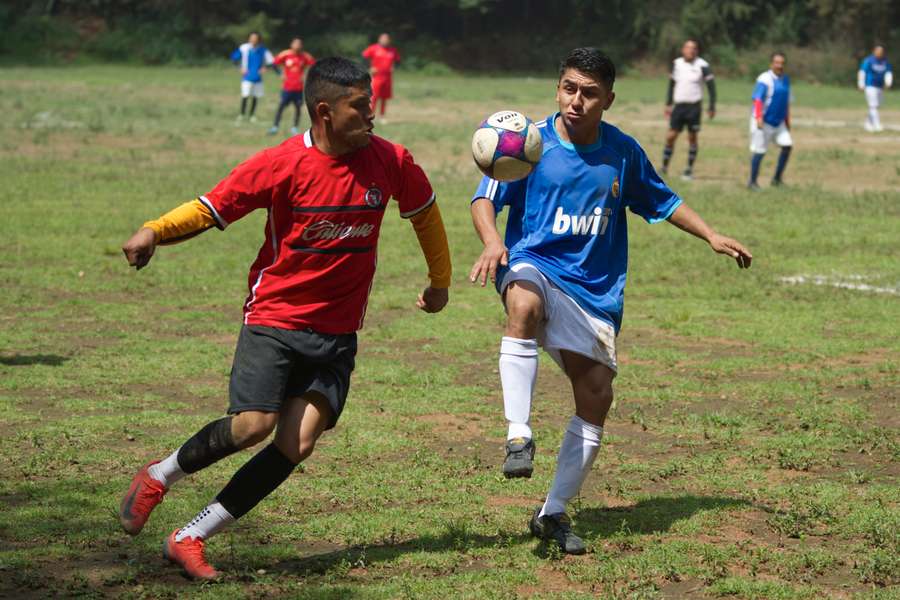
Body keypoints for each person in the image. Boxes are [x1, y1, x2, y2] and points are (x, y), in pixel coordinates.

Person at [118, 57, 451, 580]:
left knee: (295, 444)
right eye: (359, 106)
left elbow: (426, 212)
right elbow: (212, 206)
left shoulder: (391, 160)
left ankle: (190, 537)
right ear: (324, 112)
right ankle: (160, 476)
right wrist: (154, 230)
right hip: (275, 317)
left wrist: (440, 282)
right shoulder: (281, 164)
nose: (372, 114)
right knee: (254, 426)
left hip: (338, 332)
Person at [469, 47, 752, 555]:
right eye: (569, 88)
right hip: (535, 263)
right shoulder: (528, 143)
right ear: (558, 87)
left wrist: (710, 234)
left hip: (594, 292)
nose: (576, 101)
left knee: (596, 395)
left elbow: (663, 201)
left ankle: (552, 512)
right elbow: (485, 197)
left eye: (590, 93)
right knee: (524, 304)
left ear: (609, 99)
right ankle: (518, 434)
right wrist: (494, 242)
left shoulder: (621, 152)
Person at [660, 39, 716, 181]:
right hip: (679, 107)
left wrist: (712, 106)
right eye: (688, 47)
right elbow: (671, 84)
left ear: (697, 51)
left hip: (694, 107)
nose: (691, 50)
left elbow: (711, 87)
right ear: (683, 50)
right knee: (671, 136)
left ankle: (689, 170)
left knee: (692, 138)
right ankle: (664, 167)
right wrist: (668, 103)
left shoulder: (703, 65)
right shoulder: (676, 64)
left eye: (694, 48)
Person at [748, 52, 792, 190]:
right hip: (764, 121)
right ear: (771, 64)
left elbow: (786, 102)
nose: (779, 66)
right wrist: (759, 117)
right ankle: (752, 182)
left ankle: (777, 179)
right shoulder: (764, 78)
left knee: (787, 146)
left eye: (782, 63)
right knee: (760, 151)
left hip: (779, 122)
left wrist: (787, 120)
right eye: (777, 63)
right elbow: (757, 99)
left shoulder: (786, 80)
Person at [269, 37, 316, 136]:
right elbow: (273, 64)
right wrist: (280, 74)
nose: (297, 46)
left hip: (298, 88)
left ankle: (295, 127)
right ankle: (275, 127)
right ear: (291, 45)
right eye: (295, 44)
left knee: (298, 108)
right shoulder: (286, 54)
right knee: (281, 107)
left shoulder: (305, 56)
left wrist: (307, 75)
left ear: (301, 46)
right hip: (287, 87)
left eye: (299, 44)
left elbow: (315, 65)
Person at [230, 32, 276, 124]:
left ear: (258, 40)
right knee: (245, 96)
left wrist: (265, 68)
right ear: (249, 39)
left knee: (255, 97)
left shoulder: (263, 50)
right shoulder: (244, 48)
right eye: (252, 38)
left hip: (258, 78)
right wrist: (240, 68)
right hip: (246, 77)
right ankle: (242, 114)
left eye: (255, 38)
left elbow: (272, 61)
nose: (253, 40)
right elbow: (233, 57)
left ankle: (252, 115)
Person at [362, 33, 401, 122]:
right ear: (379, 39)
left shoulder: (392, 50)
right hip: (377, 77)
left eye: (387, 39)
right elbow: (364, 56)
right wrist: (370, 67)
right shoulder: (373, 48)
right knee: (374, 97)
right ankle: (370, 115)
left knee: (384, 97)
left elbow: (398, 60)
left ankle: (382, 116)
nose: (385, 40)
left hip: (387, 78)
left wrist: (394, 67)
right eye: (383, 39)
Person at [858, 45, 893, 132]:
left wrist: (888, 82)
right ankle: (877, 125)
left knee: (876, 106)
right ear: (874, 51)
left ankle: (868, 123)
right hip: (870, 86)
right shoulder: (869, 61)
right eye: (878, 51)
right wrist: (861, 84)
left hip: (880, 87)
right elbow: (862, 72)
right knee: (873, 105)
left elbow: (888, 72)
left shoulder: (885, 61)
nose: (880, 53)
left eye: (881, 51)